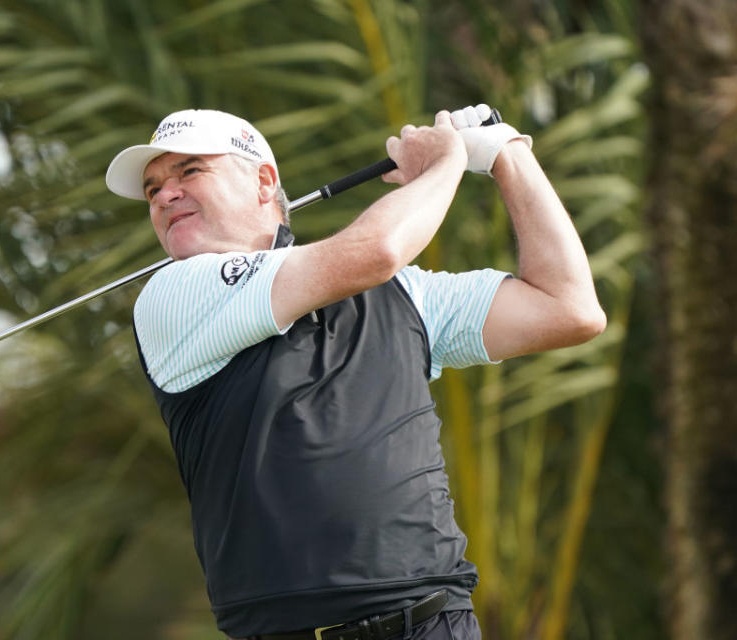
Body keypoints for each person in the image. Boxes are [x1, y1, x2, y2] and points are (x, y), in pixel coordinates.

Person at [105, 107, 605, 640]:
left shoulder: (407, 296)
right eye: (153, 188)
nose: (163, 195)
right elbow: (376, 250)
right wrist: (447, 162)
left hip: (431, 621)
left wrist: (507, 152)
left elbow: (569, 309)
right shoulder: (172, 297)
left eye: (189, 171)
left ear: (263, 181)